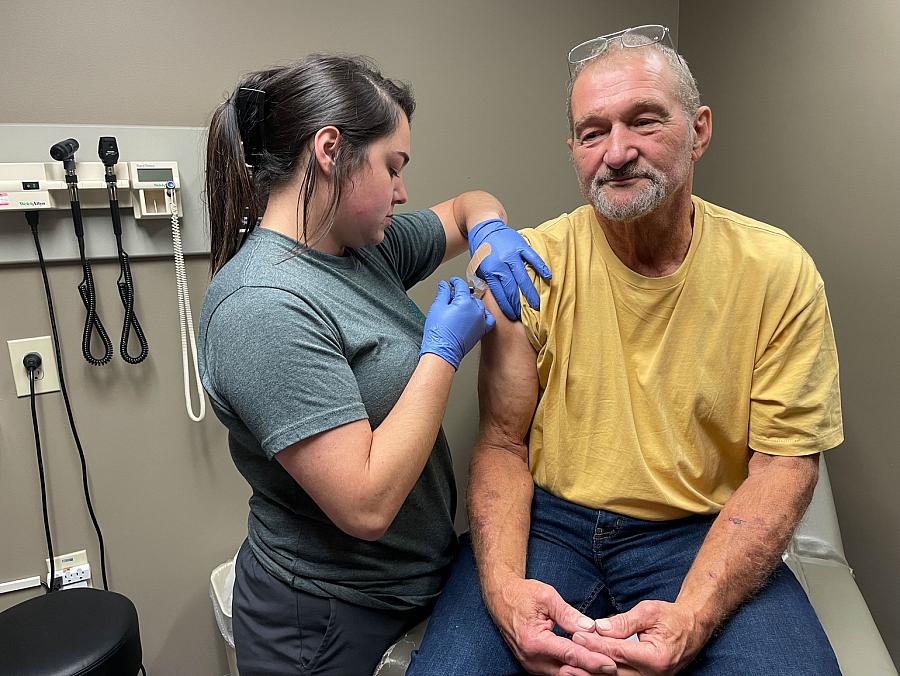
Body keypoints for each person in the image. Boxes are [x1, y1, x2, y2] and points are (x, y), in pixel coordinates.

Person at [409, 25, 843, 676]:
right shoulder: (529, 266)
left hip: (698, 528)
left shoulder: (777, 272)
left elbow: (784, 466)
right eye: (592, 132)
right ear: (574, 148)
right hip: (552, 526)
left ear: (698, 130)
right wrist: (501, 591)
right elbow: (501, 444)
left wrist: (693, 615)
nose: (616, 153)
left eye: (643, 121)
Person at [197, 54, 551, 676]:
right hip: (323, 617)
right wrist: (441, 353)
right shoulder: (263, 306)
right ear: (330, 150)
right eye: (393, 167)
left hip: (406, 582)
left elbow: (469, 204)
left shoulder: (359, 246)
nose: (402, 191)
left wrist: (491, 227)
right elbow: (364, 505)